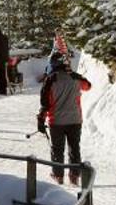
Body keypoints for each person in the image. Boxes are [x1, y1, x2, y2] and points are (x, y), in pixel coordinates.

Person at [35, 51, 90, 184]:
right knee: (74, 148)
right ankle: (74, 176)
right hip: (75, 120)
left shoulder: (50, 79)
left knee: (57, 149)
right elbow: (88, 86)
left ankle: (58, 176)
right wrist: (75, 75)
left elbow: (45, 103)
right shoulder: (75, 78)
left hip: (57, 121)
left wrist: (41, 120)